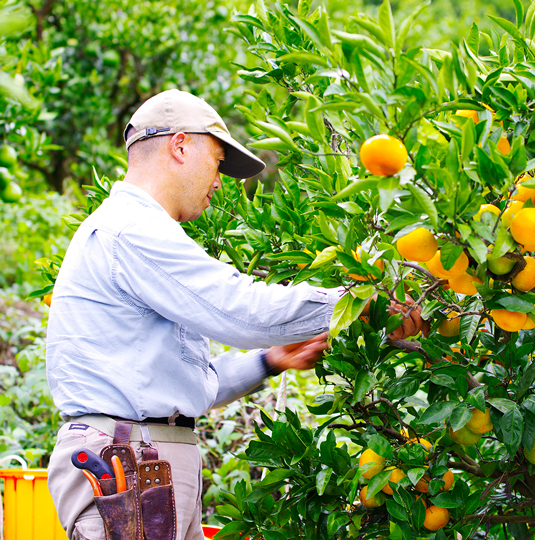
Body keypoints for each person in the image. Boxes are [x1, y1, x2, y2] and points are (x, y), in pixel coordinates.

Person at [44, 89, 344, 540]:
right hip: (128, 461)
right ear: (180, 146)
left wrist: (270, 360)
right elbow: (243, 311)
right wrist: (357, 302)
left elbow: (184, 387)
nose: (220, 182)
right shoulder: (133, 229)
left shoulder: (139, 232)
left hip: (148, 459)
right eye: (218, 163)